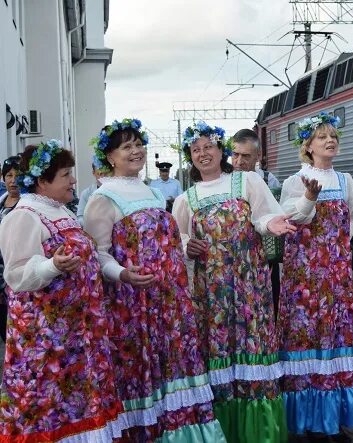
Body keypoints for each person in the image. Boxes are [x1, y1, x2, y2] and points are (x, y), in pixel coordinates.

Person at [84, 118, 225, 441]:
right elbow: (98, 254)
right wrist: (123, 274)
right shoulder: (102, 198)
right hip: (134, 305)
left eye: (138, 144)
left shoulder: (151, 191)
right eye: (126, 147)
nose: (135, 151)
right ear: (110, 157)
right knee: (143, 372)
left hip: (169, 300)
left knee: (172, 369)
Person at [173, 121, 292, 443]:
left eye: (208, 147)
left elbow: (264, 215)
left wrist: (273, 224)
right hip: (212, 294)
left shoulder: (246, 181)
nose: (203, 153)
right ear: (190, 157)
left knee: (253, 348)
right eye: (195, 150)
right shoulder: (187, 199)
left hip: (250, 286)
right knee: (219, 351)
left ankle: (261, 433)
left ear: (221, 150)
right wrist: (187, 244)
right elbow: (178, 237)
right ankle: (225, 430)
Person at [0, 141, 123, 441]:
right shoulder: (24, 215)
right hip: (47, 339)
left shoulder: (61, 211)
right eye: (66, 174)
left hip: (76, 333)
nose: (73, 181)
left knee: (78, 402)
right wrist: (51, 266)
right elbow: (16, 274)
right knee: (49, 405)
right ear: (43, 181)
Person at [279, 112, 353, 441]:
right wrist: (308, 198)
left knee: (337, 340)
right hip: (304, 277)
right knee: (308, 339)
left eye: (333, 136)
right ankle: (307, 420)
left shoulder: (345, 179)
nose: (330, 141)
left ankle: (333, 419)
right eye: (322, 137)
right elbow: (292, 219)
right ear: (308, 146)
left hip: (336, 276)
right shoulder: (295, 181)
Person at [232, 128, 283, 318]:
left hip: (267, 253)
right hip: (239, 257)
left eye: (245, 156)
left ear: (258, 155)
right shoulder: (227, 179)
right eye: (235, 155)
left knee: (270, 303)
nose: (239, 162)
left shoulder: (269, 179)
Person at [0, 155, 21, 343]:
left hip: (15, 276)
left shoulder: (27, 206)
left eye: (18, 175)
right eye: (9, 175)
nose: (13, 180)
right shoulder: (0, 203)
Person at [77, 158, 109, 226]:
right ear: (93, 173)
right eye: (100, 174)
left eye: (106, 173)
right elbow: (80, 217)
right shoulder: (86, 193)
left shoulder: (116, 190)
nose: (103, 177)